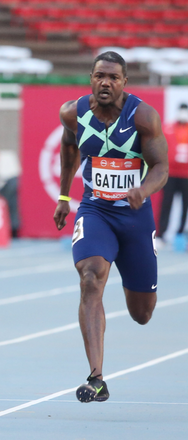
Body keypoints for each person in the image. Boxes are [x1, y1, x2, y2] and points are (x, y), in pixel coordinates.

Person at [54, 51, 168, 403]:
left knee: (142, 313)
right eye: (100, 76)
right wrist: (62, 195)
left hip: (134, 217)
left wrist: (142, 190)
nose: (105, 82)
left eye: (113, 78)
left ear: (124, 82)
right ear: (91, 78)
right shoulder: (73, 113)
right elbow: (69, 146)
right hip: (95, 210)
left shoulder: (143, 117)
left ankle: (138, 289)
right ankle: (96, 377)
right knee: (90, 277)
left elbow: (161, 166)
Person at [159, 103, 188, 243]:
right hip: (171, 173)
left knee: (185, 205)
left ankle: (180, 234)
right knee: (166, 203)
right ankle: (161, 233)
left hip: (186, 174)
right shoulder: (169, 128)